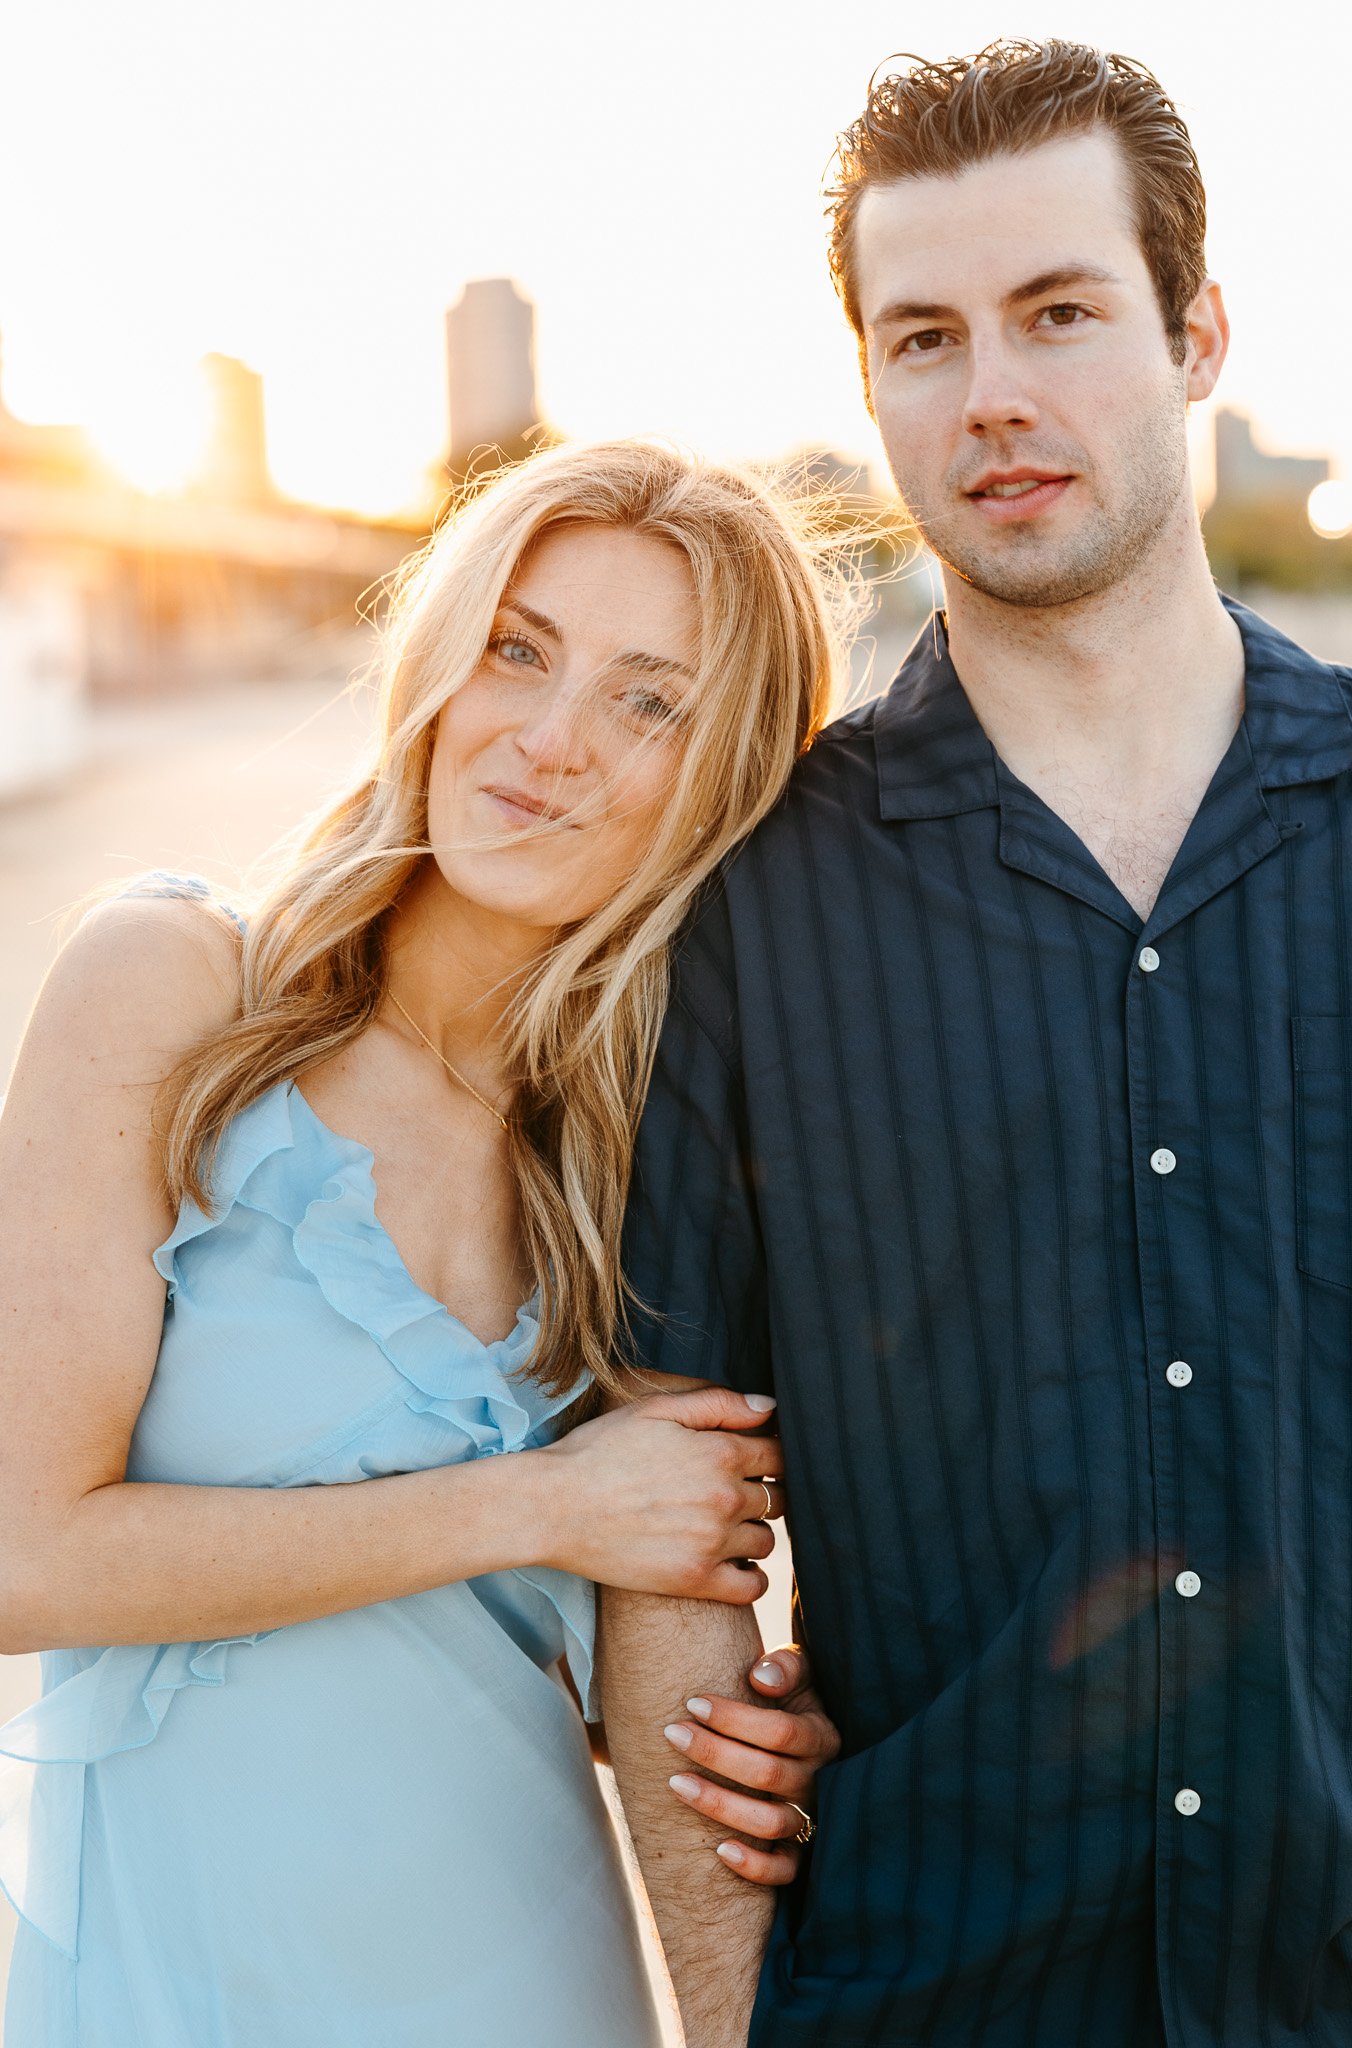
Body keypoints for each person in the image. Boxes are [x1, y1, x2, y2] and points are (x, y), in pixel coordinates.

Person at [601, 37, 1352, 2048]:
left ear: (1195, 335)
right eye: (926, 337)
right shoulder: (747, 902)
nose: (992, 394)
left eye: (1060, 313)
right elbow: (668, 1527)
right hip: (927, 1999)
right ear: (872, 384)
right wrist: (730, 2018)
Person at [0, 440, 847, 2048]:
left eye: (647, 702)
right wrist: (542, 1501)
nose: (549, 738)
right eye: (518, 650)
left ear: (724, 780)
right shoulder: (174, 992)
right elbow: (20, 1558)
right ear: (439, 666)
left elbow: (590, 1639)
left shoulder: (638, 1162)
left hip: (529, 1976)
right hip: (177, 1989)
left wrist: (755, 1738)